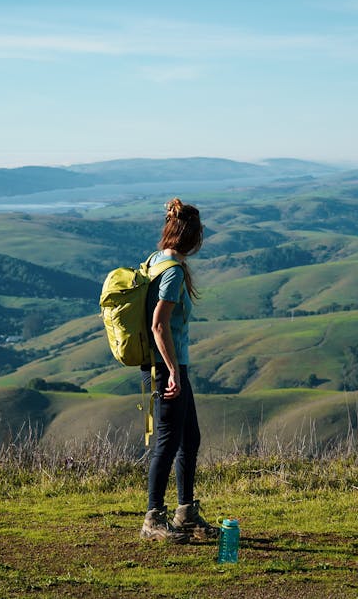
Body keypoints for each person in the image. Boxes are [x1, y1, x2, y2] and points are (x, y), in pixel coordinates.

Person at [139, 198, 219, 543]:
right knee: (168, 442)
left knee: (190, 437)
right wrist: (172, 371)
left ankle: (185, 512)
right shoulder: (171, 271)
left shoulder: (157, 260)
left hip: (168, 365)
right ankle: (153, 518)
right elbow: (159, 325)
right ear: (192, 236)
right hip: (167, 367)